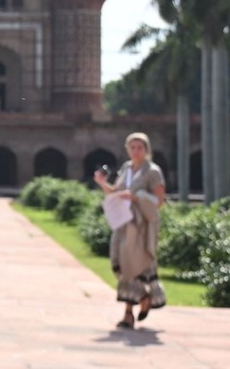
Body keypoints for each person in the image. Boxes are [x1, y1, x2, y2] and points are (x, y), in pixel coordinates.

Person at [93, 132, 165, 329]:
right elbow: (117, 193)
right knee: (119, 262)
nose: (136, 151)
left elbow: (159, 202)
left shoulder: (152, 171)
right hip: (124, 223)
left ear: (146, 150)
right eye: (132, 147)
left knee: (135, 265)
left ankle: (128, 314)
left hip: (142, 227)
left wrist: (136, 198)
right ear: (127, 149)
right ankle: (143, 297)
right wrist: (102, 183)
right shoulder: (126, 168)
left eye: (139, 148)